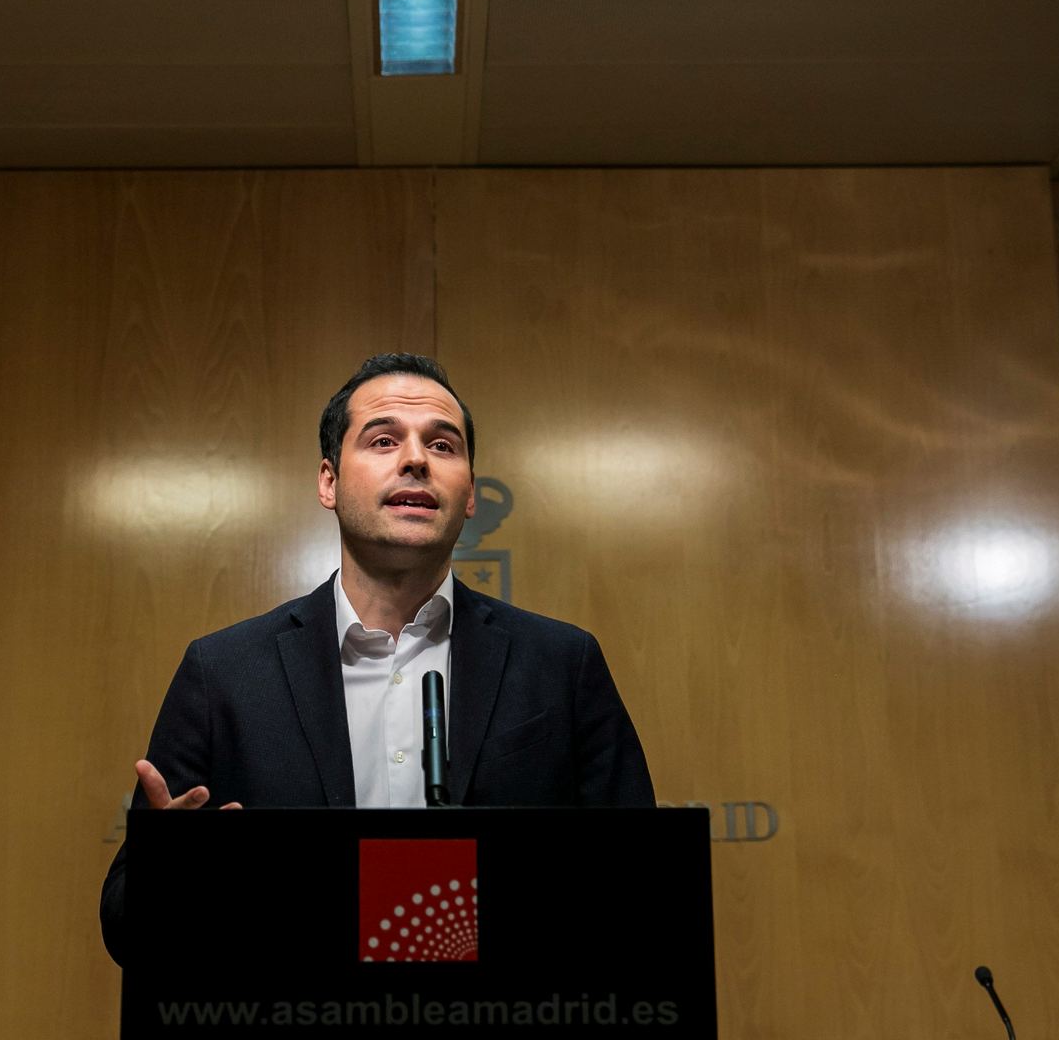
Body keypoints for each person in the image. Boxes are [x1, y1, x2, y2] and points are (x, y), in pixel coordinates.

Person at [99, 353, 653, 965]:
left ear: (469, 494)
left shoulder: (561, 665)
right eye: (384, 439)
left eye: (443, 446)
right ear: (328, 481)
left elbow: (644, 892)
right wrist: (172, 877)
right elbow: (126, 927)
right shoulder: (223, 672)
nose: (415, 459)